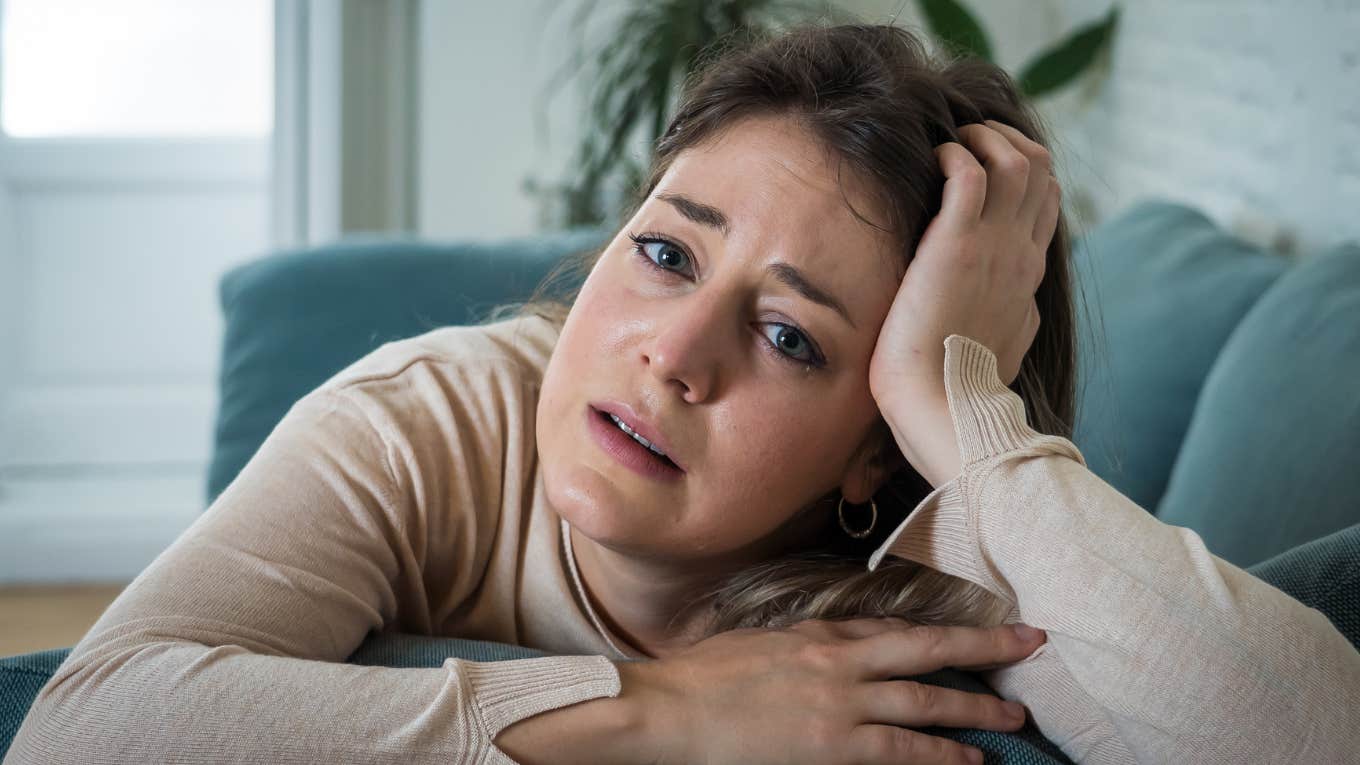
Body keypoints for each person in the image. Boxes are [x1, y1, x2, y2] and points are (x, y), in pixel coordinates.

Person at [6, 23, 1358, 765]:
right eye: (664, 251)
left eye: (788, 336)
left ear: (871, 456)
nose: (672, 350)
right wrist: (661, 715)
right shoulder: (433, 417)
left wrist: (961, 410)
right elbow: (82, 725)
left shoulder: (924, 541)